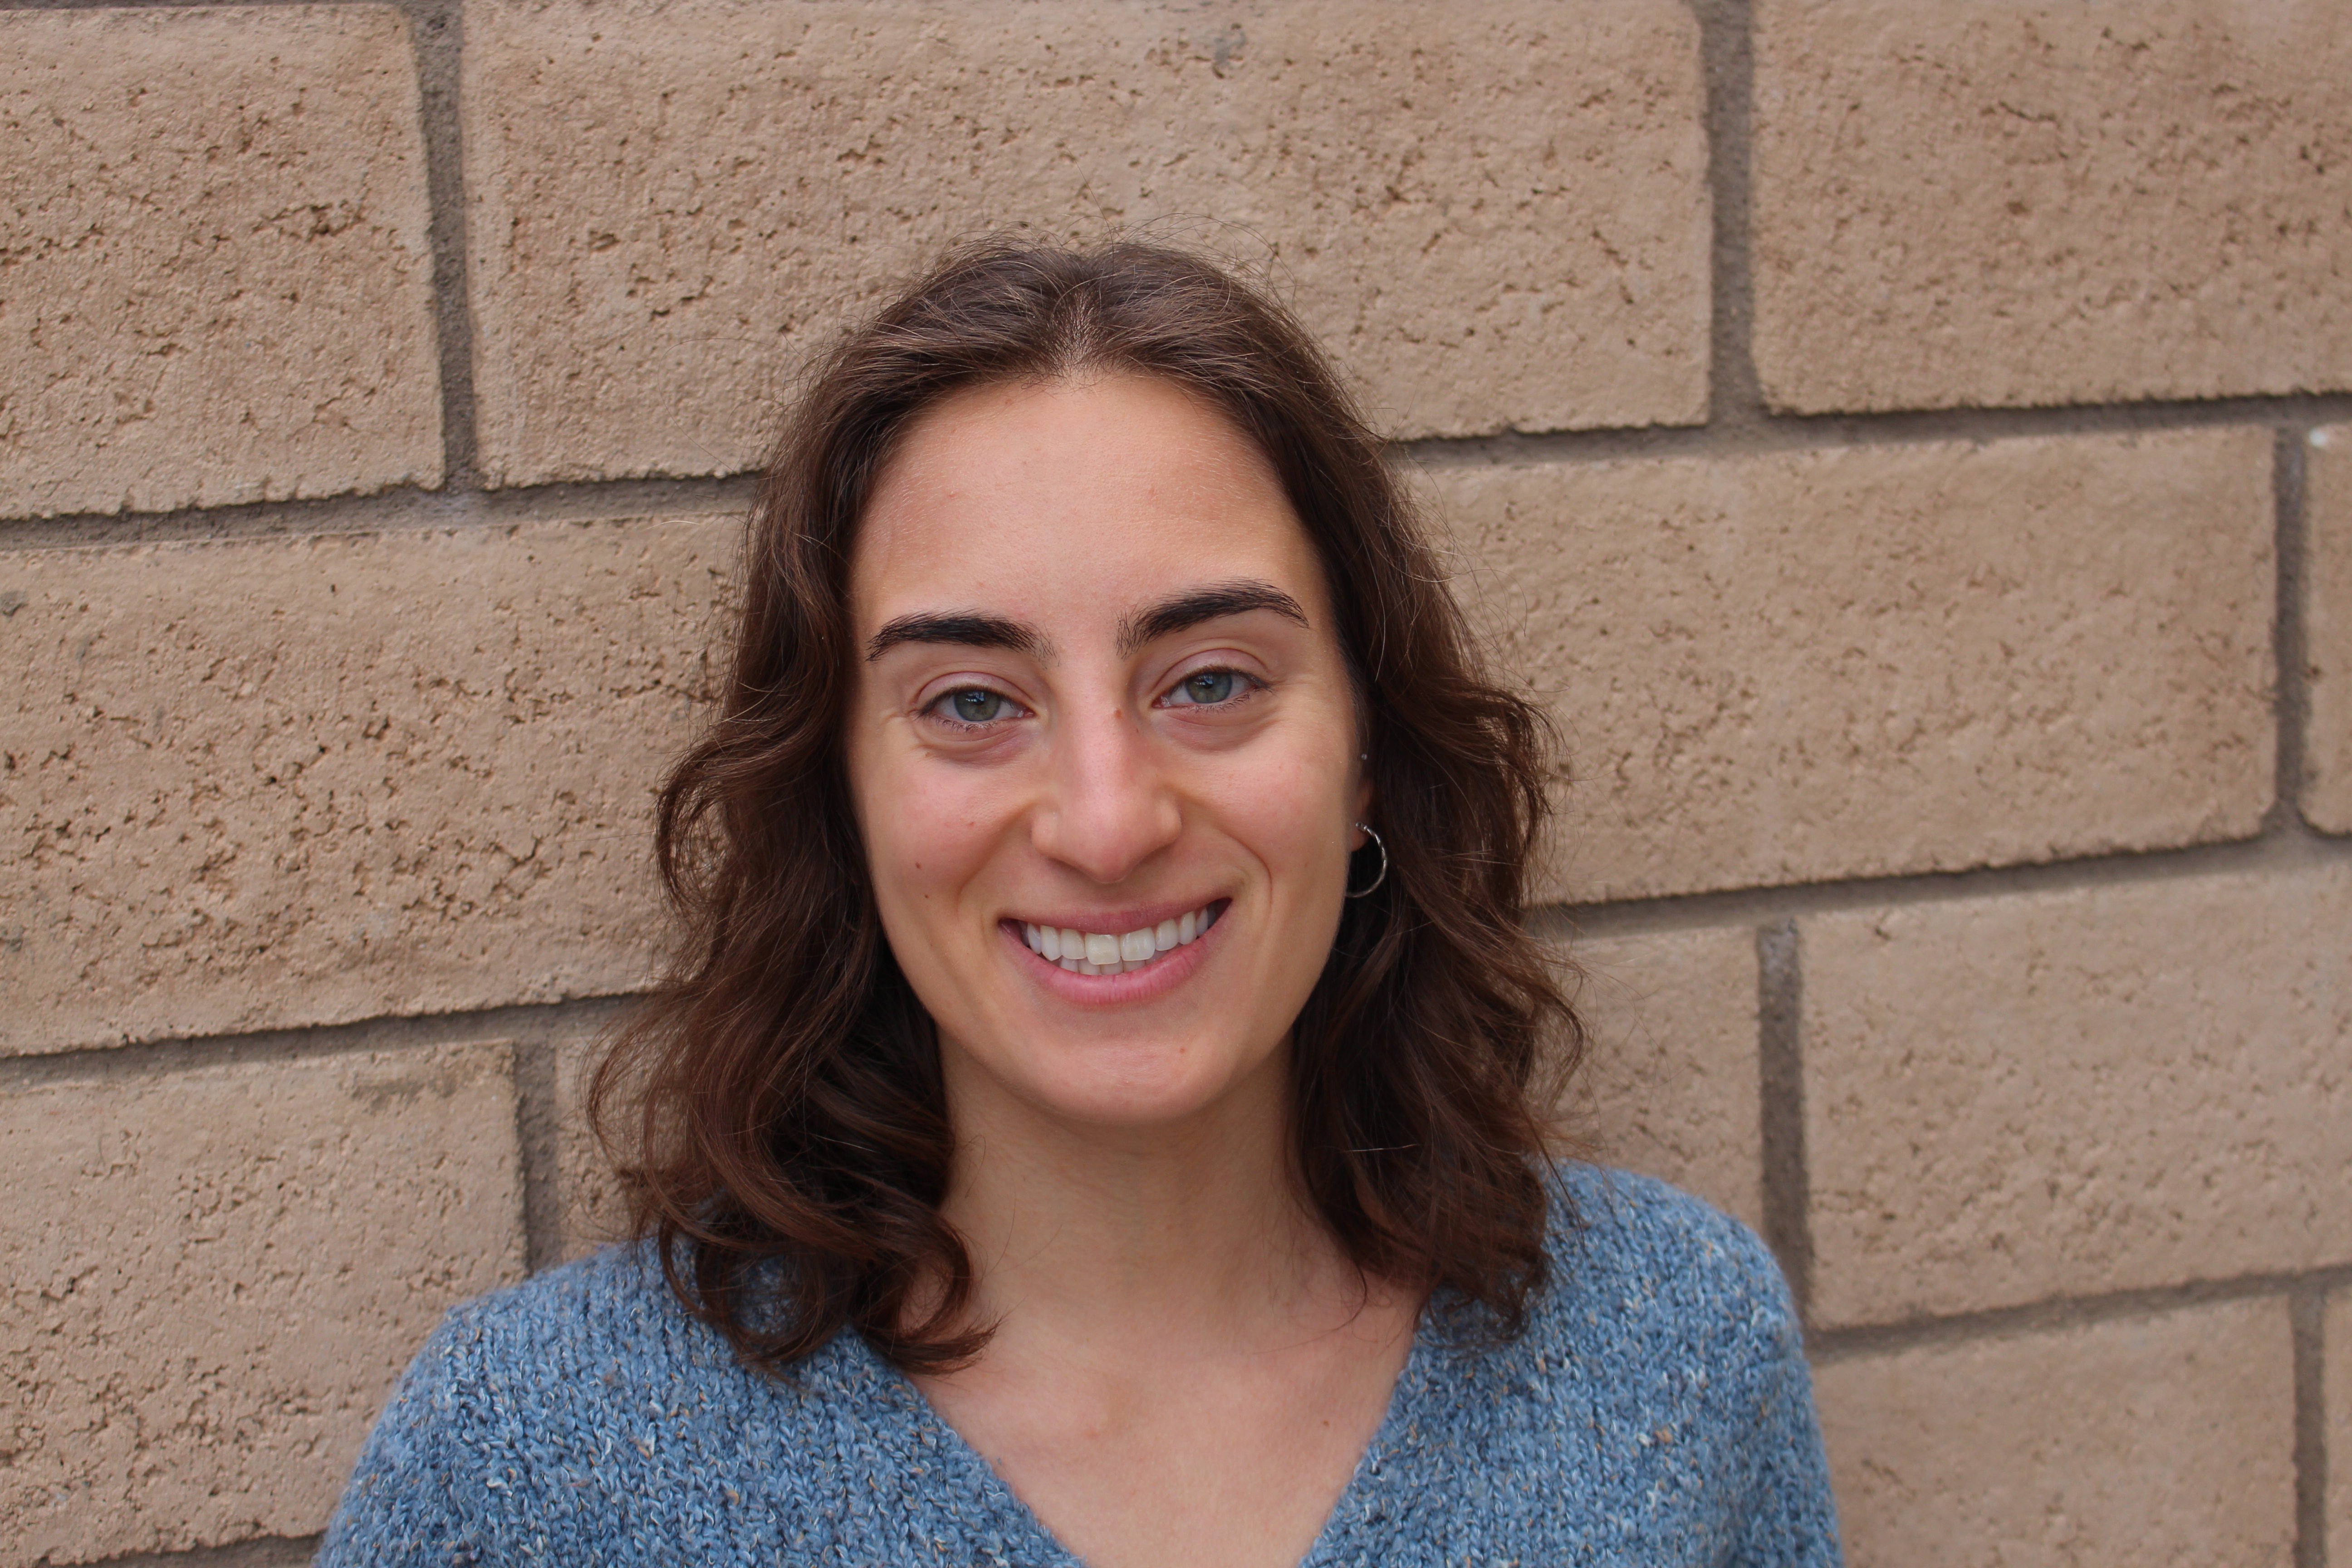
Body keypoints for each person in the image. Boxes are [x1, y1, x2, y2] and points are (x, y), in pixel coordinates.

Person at [320, 241, 1840, 1565]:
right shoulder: (534, 1463)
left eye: (1213, 681)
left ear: (1367, 754)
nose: (1108, 826)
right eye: (973, 702)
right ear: (842, 799)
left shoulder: (1673, 1350)